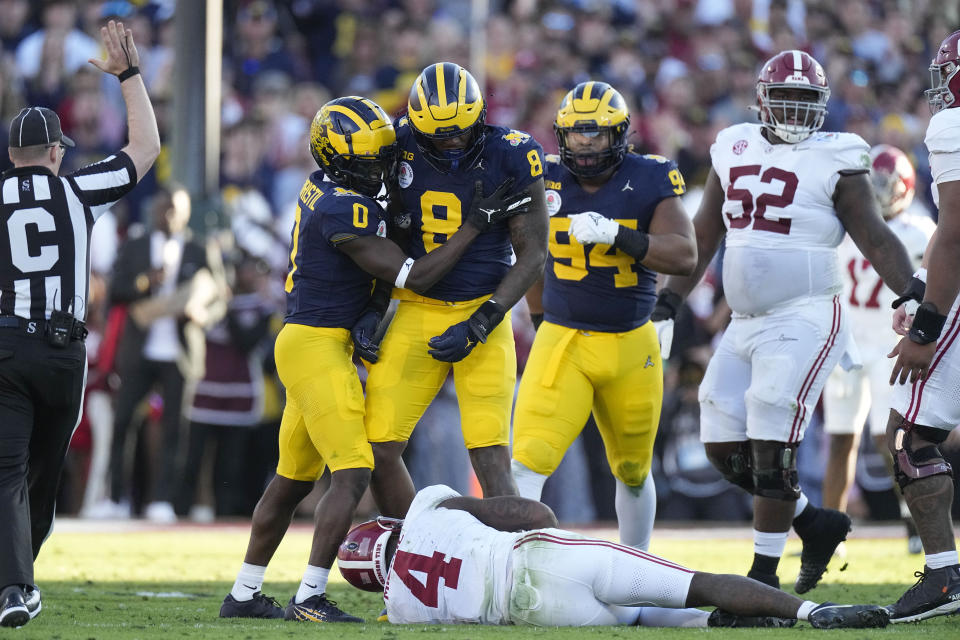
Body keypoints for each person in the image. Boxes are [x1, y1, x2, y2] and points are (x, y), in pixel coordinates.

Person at [219, 95, 529, 623]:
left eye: (384, 155)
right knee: (356, 469)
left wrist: (370, 309)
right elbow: (418, 275)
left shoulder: (326, 188)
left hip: (315, 339)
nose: (382, 167)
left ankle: (244, 594)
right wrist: (475, 225)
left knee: (292, 478)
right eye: (368, 162)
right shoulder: (346, 206)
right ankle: (310, 597)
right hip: (317, 346)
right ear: (336, 159)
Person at [652, 50, 914, 594]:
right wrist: (668, 303)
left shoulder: (838, 156)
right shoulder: (733, 144)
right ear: (762, 99)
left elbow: (876, 237)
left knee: (772, 435)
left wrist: (914, 293)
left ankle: (762, 578)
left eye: (804, 99)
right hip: (744, 320)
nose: (794, 109)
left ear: (821, 105)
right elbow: (705, 238)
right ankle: (814, 523)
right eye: (785, 97)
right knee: (722, 445)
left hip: (807, 313)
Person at [0, 20, 160, 628]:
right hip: (64, 353)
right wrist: (128, 76)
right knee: (40, 475)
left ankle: (15, 584)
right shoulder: (75, 191)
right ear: (55, 152)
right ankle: (18, 582)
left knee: (8, 472)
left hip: (8, 347)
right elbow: (145, 151)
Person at [510, 81, 696, 551]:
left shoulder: (651, 177)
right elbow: (529, 256)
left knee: (633, 470)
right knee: (527, 461)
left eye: (595, 134)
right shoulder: (545, 178)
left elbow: (685, 255)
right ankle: (518, 566)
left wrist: (620, 235)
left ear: (620, 135)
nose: (585, 144)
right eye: (575, 135)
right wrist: (539, 321)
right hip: (564, 337)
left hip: (632, 342)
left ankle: (637, 566)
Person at [363, 62, 548, 518]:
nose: (451, 143)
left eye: (460, 132)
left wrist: (484, 320)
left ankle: (513, 570)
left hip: (483, 308)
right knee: (376, 449)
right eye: (438, 135)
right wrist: (372, 307)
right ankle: (414, 546)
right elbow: (383, 237)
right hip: (415, 306)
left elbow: (533, 255)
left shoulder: (513, 152)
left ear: (481, 116)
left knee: (490, 457)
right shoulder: (397, 144)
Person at [337, 485, 890, 630]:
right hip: (539, 557)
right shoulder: (427, 510)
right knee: (687, 582)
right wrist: (465, 512)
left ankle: (718, 621)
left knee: (635, 612)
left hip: (539, 615)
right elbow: (537, 516)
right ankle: (811, 614)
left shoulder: (404, 610)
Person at [821, 144, 934, 556]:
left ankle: (913, 520)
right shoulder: (846, 226)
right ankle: (830, 534)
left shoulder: (920, 231)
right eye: (876, 186)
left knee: (892, 440)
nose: (882, 195)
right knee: (840, 438)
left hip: (890, 346)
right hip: (848, 343)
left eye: (887, 185)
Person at [884, 29, 960, 623]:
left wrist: (926, 325)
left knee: (911, 436)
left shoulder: (951, 126)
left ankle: (942, 577)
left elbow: (956, 231)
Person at [105, 182, 227, 523]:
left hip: (181, 351)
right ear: (154, 210)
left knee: (176, 429)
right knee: (123, 423)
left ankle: (163, 500)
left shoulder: (200, 249)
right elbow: (116, 291)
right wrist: (145, 282)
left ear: (187, 212)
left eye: (176, 208)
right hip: (139, 349)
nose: (170, 214)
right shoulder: (135, 246)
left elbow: (220, 298)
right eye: (164, 208)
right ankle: (116, 498)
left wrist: (202, 315)